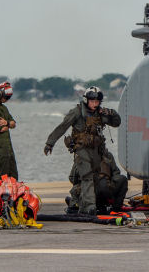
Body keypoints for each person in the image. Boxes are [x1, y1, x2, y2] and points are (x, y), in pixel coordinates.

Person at [44, 86, 120, 215]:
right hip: (81, 149)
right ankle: (89, 207)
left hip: (96, 150)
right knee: (87, 176)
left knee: (95, 177)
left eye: (97, 102)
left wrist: (111, 113)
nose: (94, 104)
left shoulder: (100, 113)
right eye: (92, 101)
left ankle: (78, 203)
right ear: (86, 100)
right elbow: (62, 127)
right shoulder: (77, 112)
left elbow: (116, 123)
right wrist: (50, 143)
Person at [67, 149, 128, 215]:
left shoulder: (82, 156)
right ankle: (116, 207)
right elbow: (116, 173)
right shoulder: (107, 155)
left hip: (93, 191)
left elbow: (72, 178)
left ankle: (78, 203)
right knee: (122, 179)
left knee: (121, 180)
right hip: (102, 190)